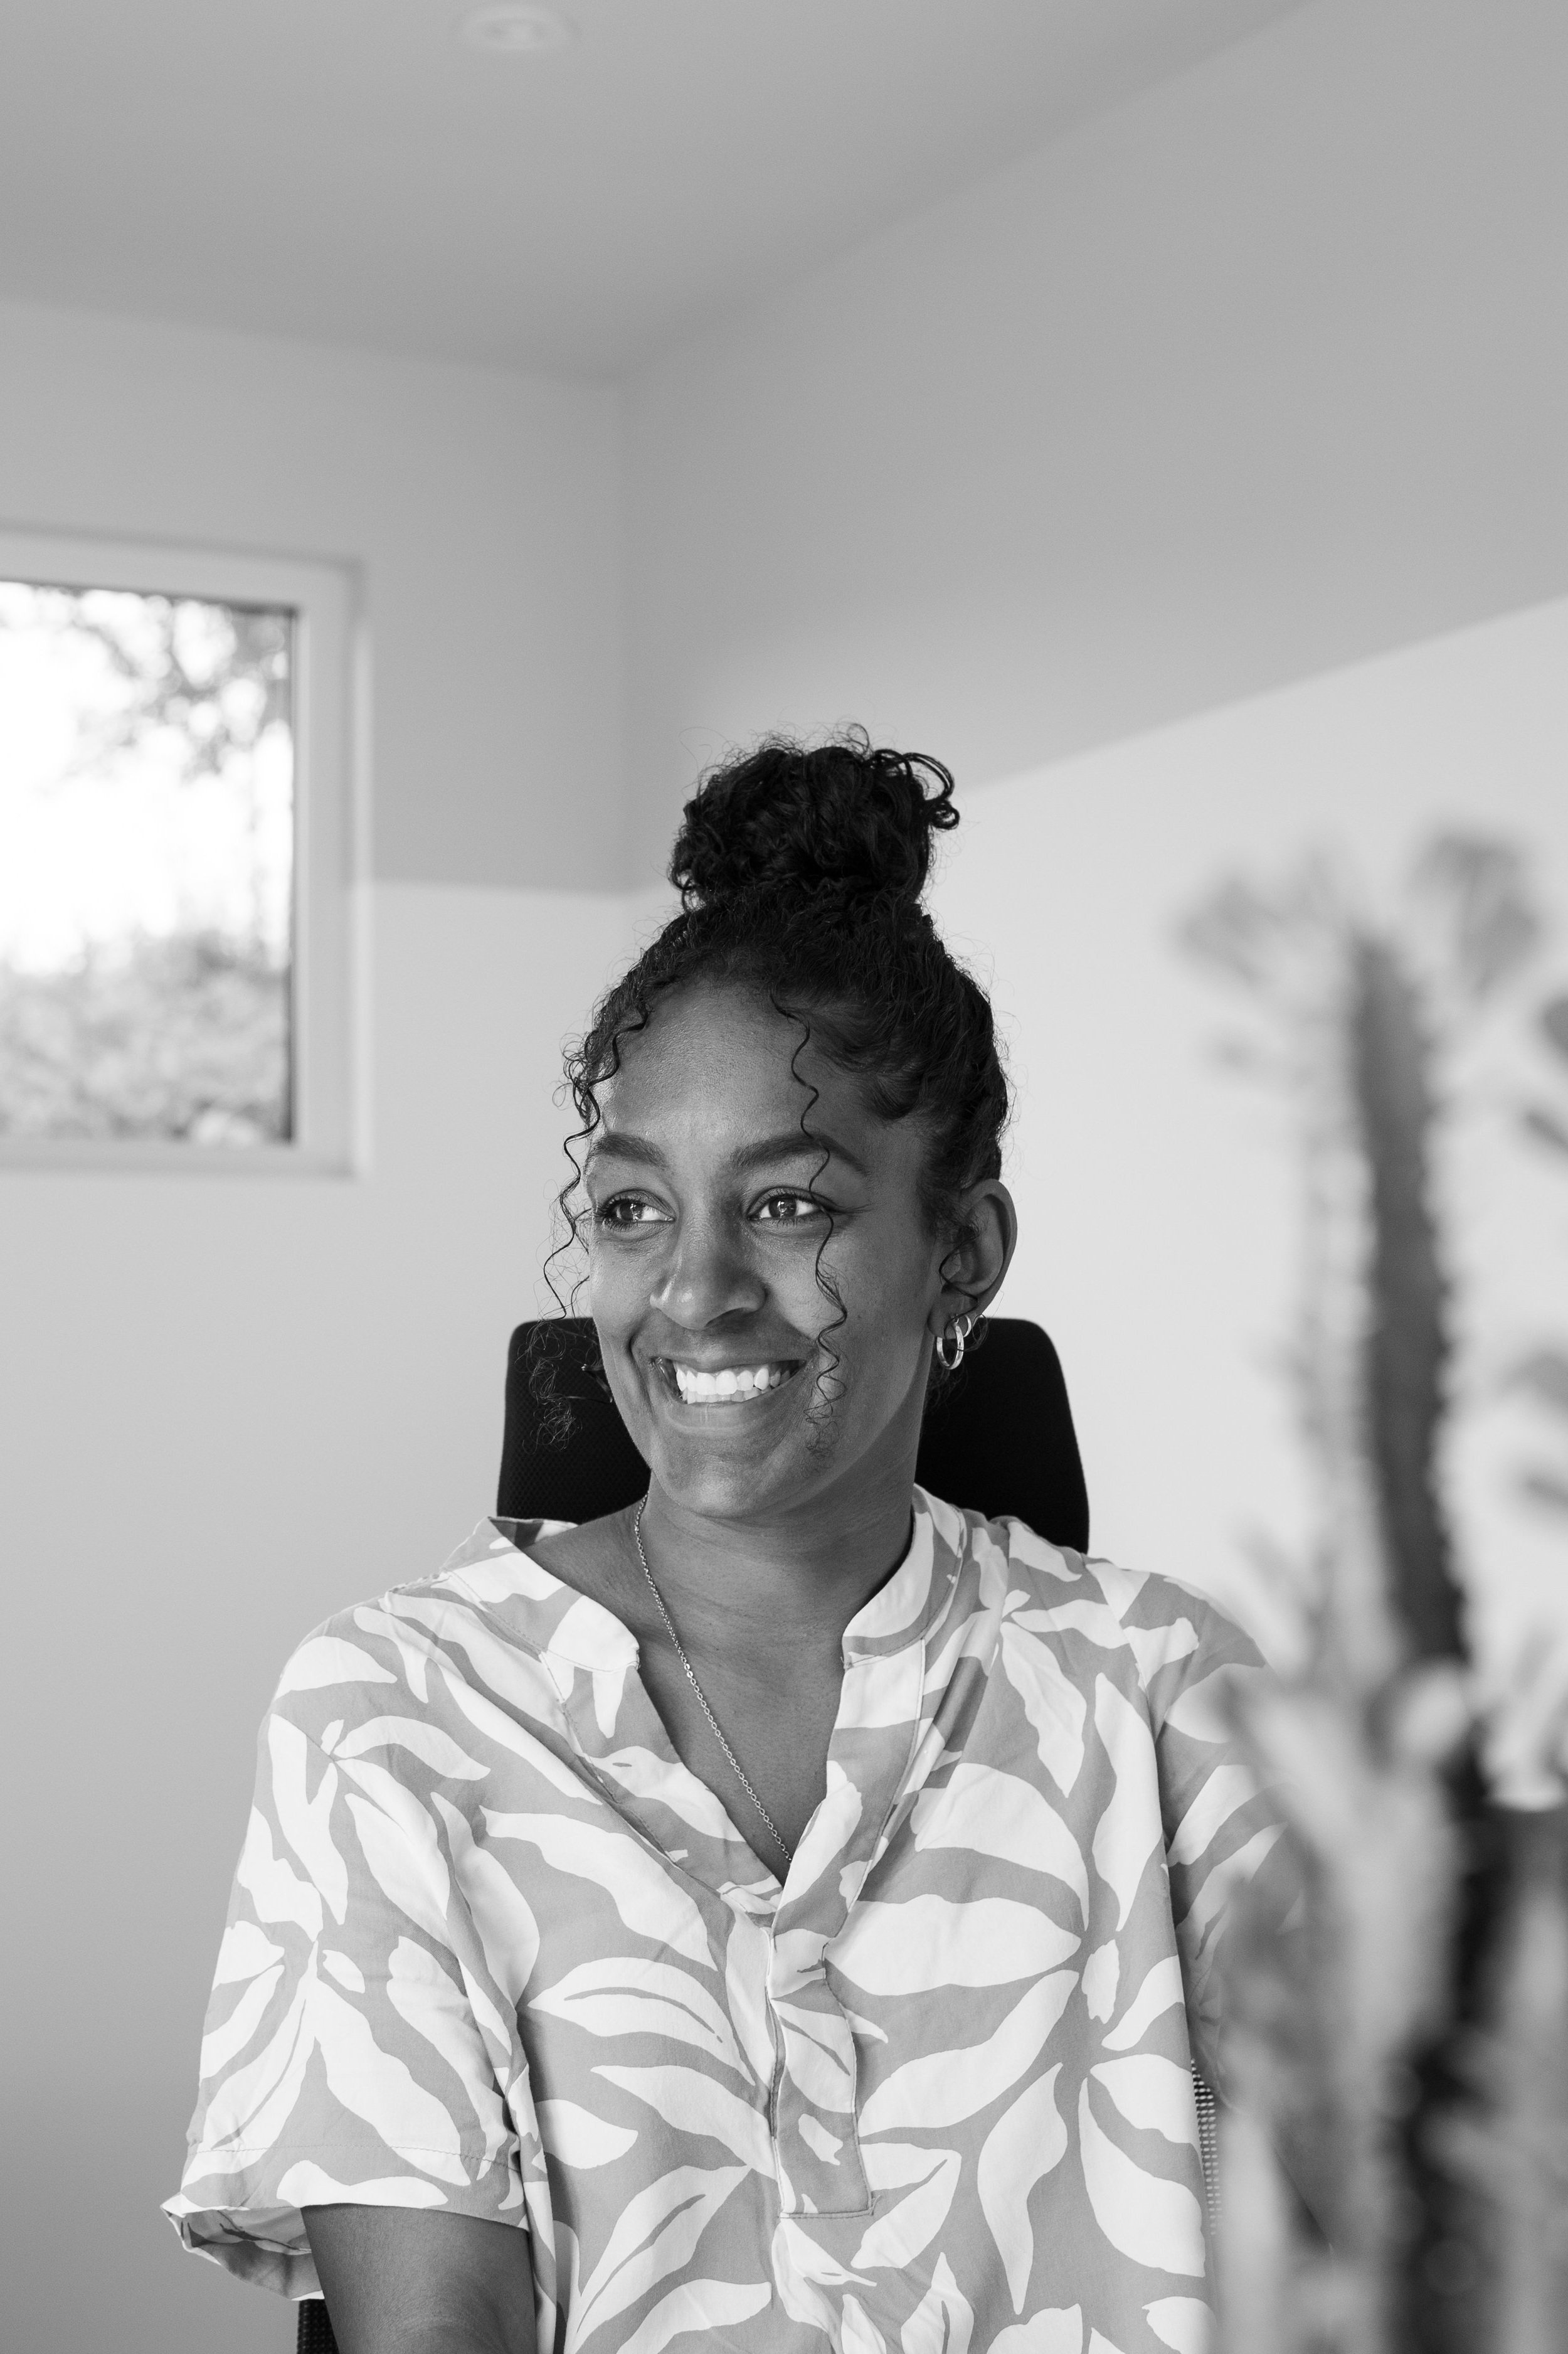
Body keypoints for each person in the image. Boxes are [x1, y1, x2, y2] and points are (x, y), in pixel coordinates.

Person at [166, 735, 1289, 2354]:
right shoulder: (392, 1716)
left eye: (786, 1205)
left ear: (959, 1249)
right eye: (631, 1210)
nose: (691, 1295)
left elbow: (1438, 2167)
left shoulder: (1161, 1692)